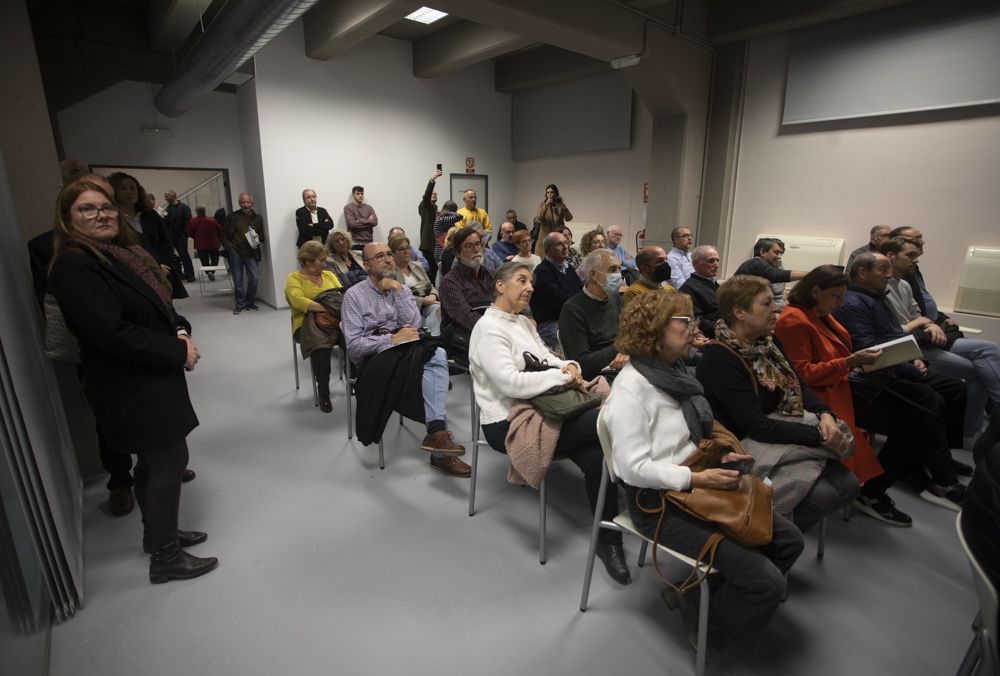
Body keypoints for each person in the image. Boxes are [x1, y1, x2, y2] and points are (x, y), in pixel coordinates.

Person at [605, 289, 804, 651]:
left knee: (790, 541)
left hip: (693, 480)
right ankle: (712, 630)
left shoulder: (672, 372)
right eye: (684, 321)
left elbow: (686, 439)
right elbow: (631, 469)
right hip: (658, 503)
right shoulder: (632, 389)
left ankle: (700, 599)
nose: (693, 328)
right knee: (767, 583)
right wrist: (696, 478)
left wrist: (716, 459)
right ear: (656, 330)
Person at [49, 180, 217, 584]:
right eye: (87, 209)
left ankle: (157, 535)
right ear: (67, 219)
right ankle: (166, 556)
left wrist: (177, 328)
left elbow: (152, 306)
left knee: (154, 462)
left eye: (105, 207)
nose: (102, 214)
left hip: (147, 376)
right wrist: (178, 352)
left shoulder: (117, 254)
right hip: (131, 384)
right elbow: (111, 333)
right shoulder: (75, 264)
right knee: (168, 462)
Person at [469, 261, 631, 585]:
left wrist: (568, 364)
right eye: (521, 280)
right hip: (510, 420)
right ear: (500, 286)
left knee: (599, 453)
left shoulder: (524, 324)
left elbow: (549, 356)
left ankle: (608, 538)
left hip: (548, 406)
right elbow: (511, 384)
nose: (530, 287)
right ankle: (643, 499)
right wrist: (560, 374)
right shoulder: (488, 330)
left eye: (531, 281)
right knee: (611, 417)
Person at [697, 275, 860, 532]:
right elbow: (756, 426)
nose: (777, 309)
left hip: (779, 429)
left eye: (774, 301)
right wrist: (819, 435)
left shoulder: (768, 342)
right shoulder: (720, 358)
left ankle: (775, 537)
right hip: (745, 443)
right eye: (766, 304)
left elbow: (799, 384)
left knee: (849, 486)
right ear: (739, 312)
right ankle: (764, 540)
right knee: (825, 496)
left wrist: (825, 415)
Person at [775, 265, 912, 526]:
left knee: (917, 408)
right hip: (820, 399)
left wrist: (855, 361)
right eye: (836, 296)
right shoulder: (794, 320)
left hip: (838, 388)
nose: (840, 303)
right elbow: (801, 373)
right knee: (908, 419)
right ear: (816, 290)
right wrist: (849, 362)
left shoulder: (821, 313)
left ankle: (875, 491)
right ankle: (872, 493)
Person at [832, 252, 968, 510]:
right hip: (870, 378)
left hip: (893, 366)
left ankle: (938, 460)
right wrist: (910, 367)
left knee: (954, 389)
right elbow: (869, 349)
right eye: (883, 269)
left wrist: (915, 358)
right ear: (861, 273)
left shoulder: (878, 297)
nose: (890, 274)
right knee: (926, 406)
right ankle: (941, 477)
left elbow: (894, 336)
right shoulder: (853, 303)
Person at [340, 242, 470, 477]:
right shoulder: (354, 296)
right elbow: (354, 347)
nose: (388, 259)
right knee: (427, 376)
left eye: (389, 254)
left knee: (437, 353)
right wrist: (391, 340)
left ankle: (437, 433)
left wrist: (399, 291)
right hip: (375, 359)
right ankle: (440, 448)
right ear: (366, 264)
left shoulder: (402, 289)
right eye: (380, 256)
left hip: (405, 350)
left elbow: (415, 323)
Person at [882, 237, 1000, 440]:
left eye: (917, 256)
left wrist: (930, 324)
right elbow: (893, 330)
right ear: (890, 256)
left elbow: (917, 312)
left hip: (926, 336)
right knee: (976, 372)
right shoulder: (879, 288)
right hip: (913, 345)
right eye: (910, 255)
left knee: (989, 348)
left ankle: (971, 428)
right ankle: (970, 430)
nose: (915, 260)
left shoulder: (904, 283)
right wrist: (924, 324)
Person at [109, 172, 188, 300]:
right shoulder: (111, 217)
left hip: (161, 268)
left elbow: (166, 240)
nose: (128, 192)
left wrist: (161, 264)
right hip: (131, 272)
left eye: (132, 188)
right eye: (122, 188)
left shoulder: (149, 214)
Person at [285, 241, 343, 413]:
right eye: (321, 260)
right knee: (322, 348)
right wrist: (327, 307)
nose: (324, 264)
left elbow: (340, 296)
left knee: (353, 340)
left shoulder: (329, 275)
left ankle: (354, 379)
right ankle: (323, 392)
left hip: (333, 321)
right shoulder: (294, 278)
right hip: (304, 323)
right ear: (308, 260)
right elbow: (298, 301)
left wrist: (332, 309)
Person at [559, 249, 628, 380]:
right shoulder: (573, 310)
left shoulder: (615, 298)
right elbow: (582, 363)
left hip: (623, 364)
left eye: (619, 269)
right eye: (613, 269)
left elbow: (632, 333)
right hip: (600, 374)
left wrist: (626, 351)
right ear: (593, 275)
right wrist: (620, 348)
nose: (618, 274)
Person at [439, 227, 494, 361]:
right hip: (463, 332)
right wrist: (496, 330)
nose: (476, 250)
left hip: (490, 328)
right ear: (458, 253)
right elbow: (464, 316)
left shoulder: (489, 275)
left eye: (478, 244)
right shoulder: (450, 282)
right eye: (468, 246)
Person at [530, 231, 583, 349]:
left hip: (570, 317)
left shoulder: (568, 268)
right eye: (559, 244)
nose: (565, 247)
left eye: (566, 243)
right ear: (548, 249)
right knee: (578, 340)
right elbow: (562, 300)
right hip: (551, 323)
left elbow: (581, 292)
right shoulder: (542, 272)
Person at [389, 234, 441, 336]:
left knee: (439, 310)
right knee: (425, 320)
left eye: (407, 248)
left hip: (428, 303)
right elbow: (395, 297)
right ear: (393, 253)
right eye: (401, 249)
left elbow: (431, 286)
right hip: (408, 309)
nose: (406, 252)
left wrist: (433, 295)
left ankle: (433, 341)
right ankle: (432, 341)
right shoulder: (390, 272)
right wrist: (422, 301)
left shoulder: (417, 266)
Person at [733, 238, 806, 308]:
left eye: (780, 253)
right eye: (776, 253)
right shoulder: (755, 264)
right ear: (763, 252)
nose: (779, 257)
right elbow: (778, 275)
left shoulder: (769, 266)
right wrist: (810, 275)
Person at [223, 192, 265, 314]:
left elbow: (262, 237)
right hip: (235, 251)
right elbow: (224, 233)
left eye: (247, 202)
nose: (245, 204)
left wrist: (258, 237)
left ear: (252, 203)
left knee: (255, 278)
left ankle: (250, 302)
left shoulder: (258, 218)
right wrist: (229, 247)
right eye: (242, 202)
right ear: (239, 203)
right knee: (238, 280)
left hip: (251, 252)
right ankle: (240, 304)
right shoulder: (232, 216)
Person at [679, 245, 721, 338]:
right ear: (695, 263)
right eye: (711, 261)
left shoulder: (714, 284)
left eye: (717, 260)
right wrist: (726, 329)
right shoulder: (688, 288)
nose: (717, 265)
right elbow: (697, 322)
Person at [163, 190, 195, 282]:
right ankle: (181, 274)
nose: (165, 198)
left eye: (167, 196)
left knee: (184, 255)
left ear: (173, 196)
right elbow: (167, 223)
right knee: (175, 257)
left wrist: (185, 234)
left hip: (181, 236)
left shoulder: (184, 207)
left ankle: (190, 274)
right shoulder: (168, 209)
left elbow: (188, 221)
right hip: (171, 236)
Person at [533, 184, 572, 257]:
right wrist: (547, 204)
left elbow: (569, 218)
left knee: (557, 259)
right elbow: (539, 218)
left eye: (552, 192)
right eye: (548, 192)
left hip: (558, 237)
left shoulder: (560, 206)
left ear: (556, 193)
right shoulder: (542, 205)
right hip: (545, 238)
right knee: (543, 260)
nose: (550, 194)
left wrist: (563, 206)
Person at [417, 169, 443, 280]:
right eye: (433, 193)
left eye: (436, 194)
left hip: (435, 245)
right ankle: (430, 293)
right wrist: (432, 180)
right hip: (428, 245)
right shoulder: (425, 204)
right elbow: (426, 196)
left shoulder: (435, 208)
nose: (434, 194)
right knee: (430, 271)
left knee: (435, 270)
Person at [186, 206, 222, 280]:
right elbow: (218, 230)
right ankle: (212, 271)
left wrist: (196, 237)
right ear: (205, 211)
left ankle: (208, 271)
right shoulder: (212, 220)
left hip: (200, 244)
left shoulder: (192, 221)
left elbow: (189, 232)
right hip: (213, 243)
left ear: (196, 212)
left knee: (204, 260)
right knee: (215, 258)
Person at [433, 200, 461, 265]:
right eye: (455, 210)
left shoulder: (440, 218)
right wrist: (450, 212)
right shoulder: (443, 219)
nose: (456, 212)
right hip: (442, 251)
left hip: (441, 250)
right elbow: (459, 216)